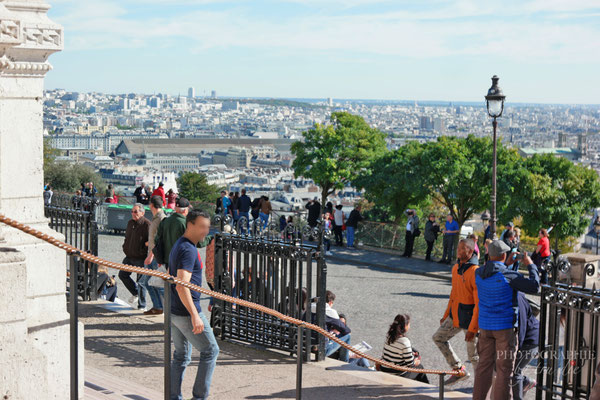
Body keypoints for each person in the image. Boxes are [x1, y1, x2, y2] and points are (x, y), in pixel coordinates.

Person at [473, 240, 540, 400]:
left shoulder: (478, 273)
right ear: (504, 255)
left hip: (485, 327)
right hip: (505, 329)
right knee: (504, 372)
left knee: (483, 368)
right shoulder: (510, 275)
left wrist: (505, 263)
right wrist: (530, 265)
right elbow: (535, 286)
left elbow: (494, 272)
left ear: (489, 254)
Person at [169, 210, 219, 400]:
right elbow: (182, 284)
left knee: (181, 356)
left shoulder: (180, 245)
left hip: (175, 310)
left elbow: (171, 274)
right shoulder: (188, 249)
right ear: (190, 225)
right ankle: (199, 397)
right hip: (185, 312)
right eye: (202, 227)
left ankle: (174, 396)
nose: (206, 231)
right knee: (211, 351)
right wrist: (195, 314)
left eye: (208, 227)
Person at [433, 239, 479, 385]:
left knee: (474, 356)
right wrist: (446, 315)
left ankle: (482, 385)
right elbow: (453, 293)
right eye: (458, 248)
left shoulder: (475, 271)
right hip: (455, 316)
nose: (458, 251)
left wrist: (473, 329)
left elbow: (479, 303)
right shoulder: (455, 268)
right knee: (438, 338)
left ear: (470, 251)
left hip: (470, 320)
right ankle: (459, 370)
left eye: (462, 249)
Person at [380, 314, 429, 383]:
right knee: (420, 368)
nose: (409, 326)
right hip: (397, 373)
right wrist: (416, 361)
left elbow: (393, 353)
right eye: (409, 324)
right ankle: (426, 389)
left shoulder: (389, 336)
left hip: (384, 369)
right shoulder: (404, 341)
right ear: (405, 326)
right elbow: (410, 364)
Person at [118, 203, 151, 310]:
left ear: (142, 212)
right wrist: (125, 246)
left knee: (141, 282)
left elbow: (152, 241)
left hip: (141, 257)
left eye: (136, 211)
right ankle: (135, 292)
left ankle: (142, 305)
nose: (133, 214)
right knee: (122, 275)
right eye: (132, 211)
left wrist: (144, 248)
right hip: (129, 255)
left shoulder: (147, 224)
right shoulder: (130, 222)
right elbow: (127, 237)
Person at [139, 195, 166, 315]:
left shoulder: (160, 219)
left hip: (155, 256)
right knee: (149, 282)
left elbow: (158, 240)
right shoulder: (157, 218)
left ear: (151, 205)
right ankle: (158, 306)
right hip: (152, 254)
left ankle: (166, 307)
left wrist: (151, 255)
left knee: (155, 283)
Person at [512, 292, 539, 399]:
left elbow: (522, 325)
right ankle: (526, 382)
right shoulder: (514, 295)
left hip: (529, 341)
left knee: (515, 372)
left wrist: (518, 348)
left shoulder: (517, 298)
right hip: (528, 339)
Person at [155, 197, 190, 268]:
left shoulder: (165, 221)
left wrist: (159, 258)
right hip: (181, 261)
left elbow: (157, 240)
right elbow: (195, 242)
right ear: (185, 210)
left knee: (169, 279)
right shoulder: (186, 223)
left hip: (167, 261)